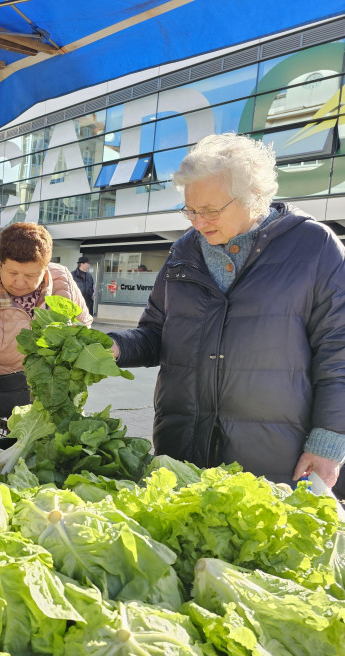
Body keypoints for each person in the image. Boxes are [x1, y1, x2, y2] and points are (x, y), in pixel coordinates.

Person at [108, 133, 345, 488]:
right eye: (190, 210)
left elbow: (338, 352)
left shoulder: (314, 247)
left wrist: (329, 443)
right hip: (184, 450)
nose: (198, 223)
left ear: (254, 197)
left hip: (276, 461)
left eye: (210, 211)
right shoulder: (184, 251)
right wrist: (112, 347)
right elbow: (157, 333)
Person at [0, 222, 93, 441]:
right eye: (13, 272)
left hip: (50, 390)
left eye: (30, 275)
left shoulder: (61, 280)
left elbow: (82, 329)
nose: (19, 282)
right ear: (1, 264)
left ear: (45, 267)